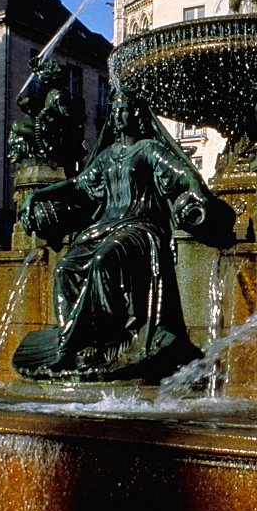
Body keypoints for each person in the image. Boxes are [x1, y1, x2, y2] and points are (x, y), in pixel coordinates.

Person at [13, 89, 236, 380]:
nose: (120, 115)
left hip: (140, 227)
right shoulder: (108, 155)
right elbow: (78, 184)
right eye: (116, 110)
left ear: (139, 115)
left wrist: (197, 194)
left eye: (126, 110)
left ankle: (112, 337)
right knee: (65, 269)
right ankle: (76, 342)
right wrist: (38, 195)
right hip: (105, 227)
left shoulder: (149, 149)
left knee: (104, 260)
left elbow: (184, 174)